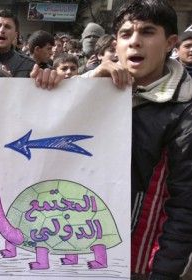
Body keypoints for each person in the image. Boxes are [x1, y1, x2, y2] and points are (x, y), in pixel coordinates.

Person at [78, 1, 192, 278]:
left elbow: (184, 204)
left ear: (170, 43)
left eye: (148, 32)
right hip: (80, 255)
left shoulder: (185, 111)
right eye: (126, 34)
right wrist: (86, 83)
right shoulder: (92, 87)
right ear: (115, 44)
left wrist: (164, 271)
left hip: (142, 263)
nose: (135, 42)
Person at [0, 9, 35, 77]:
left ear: (15, 35)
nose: (2, 30)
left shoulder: (29, 65)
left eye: (7, 27)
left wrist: (11, 83)